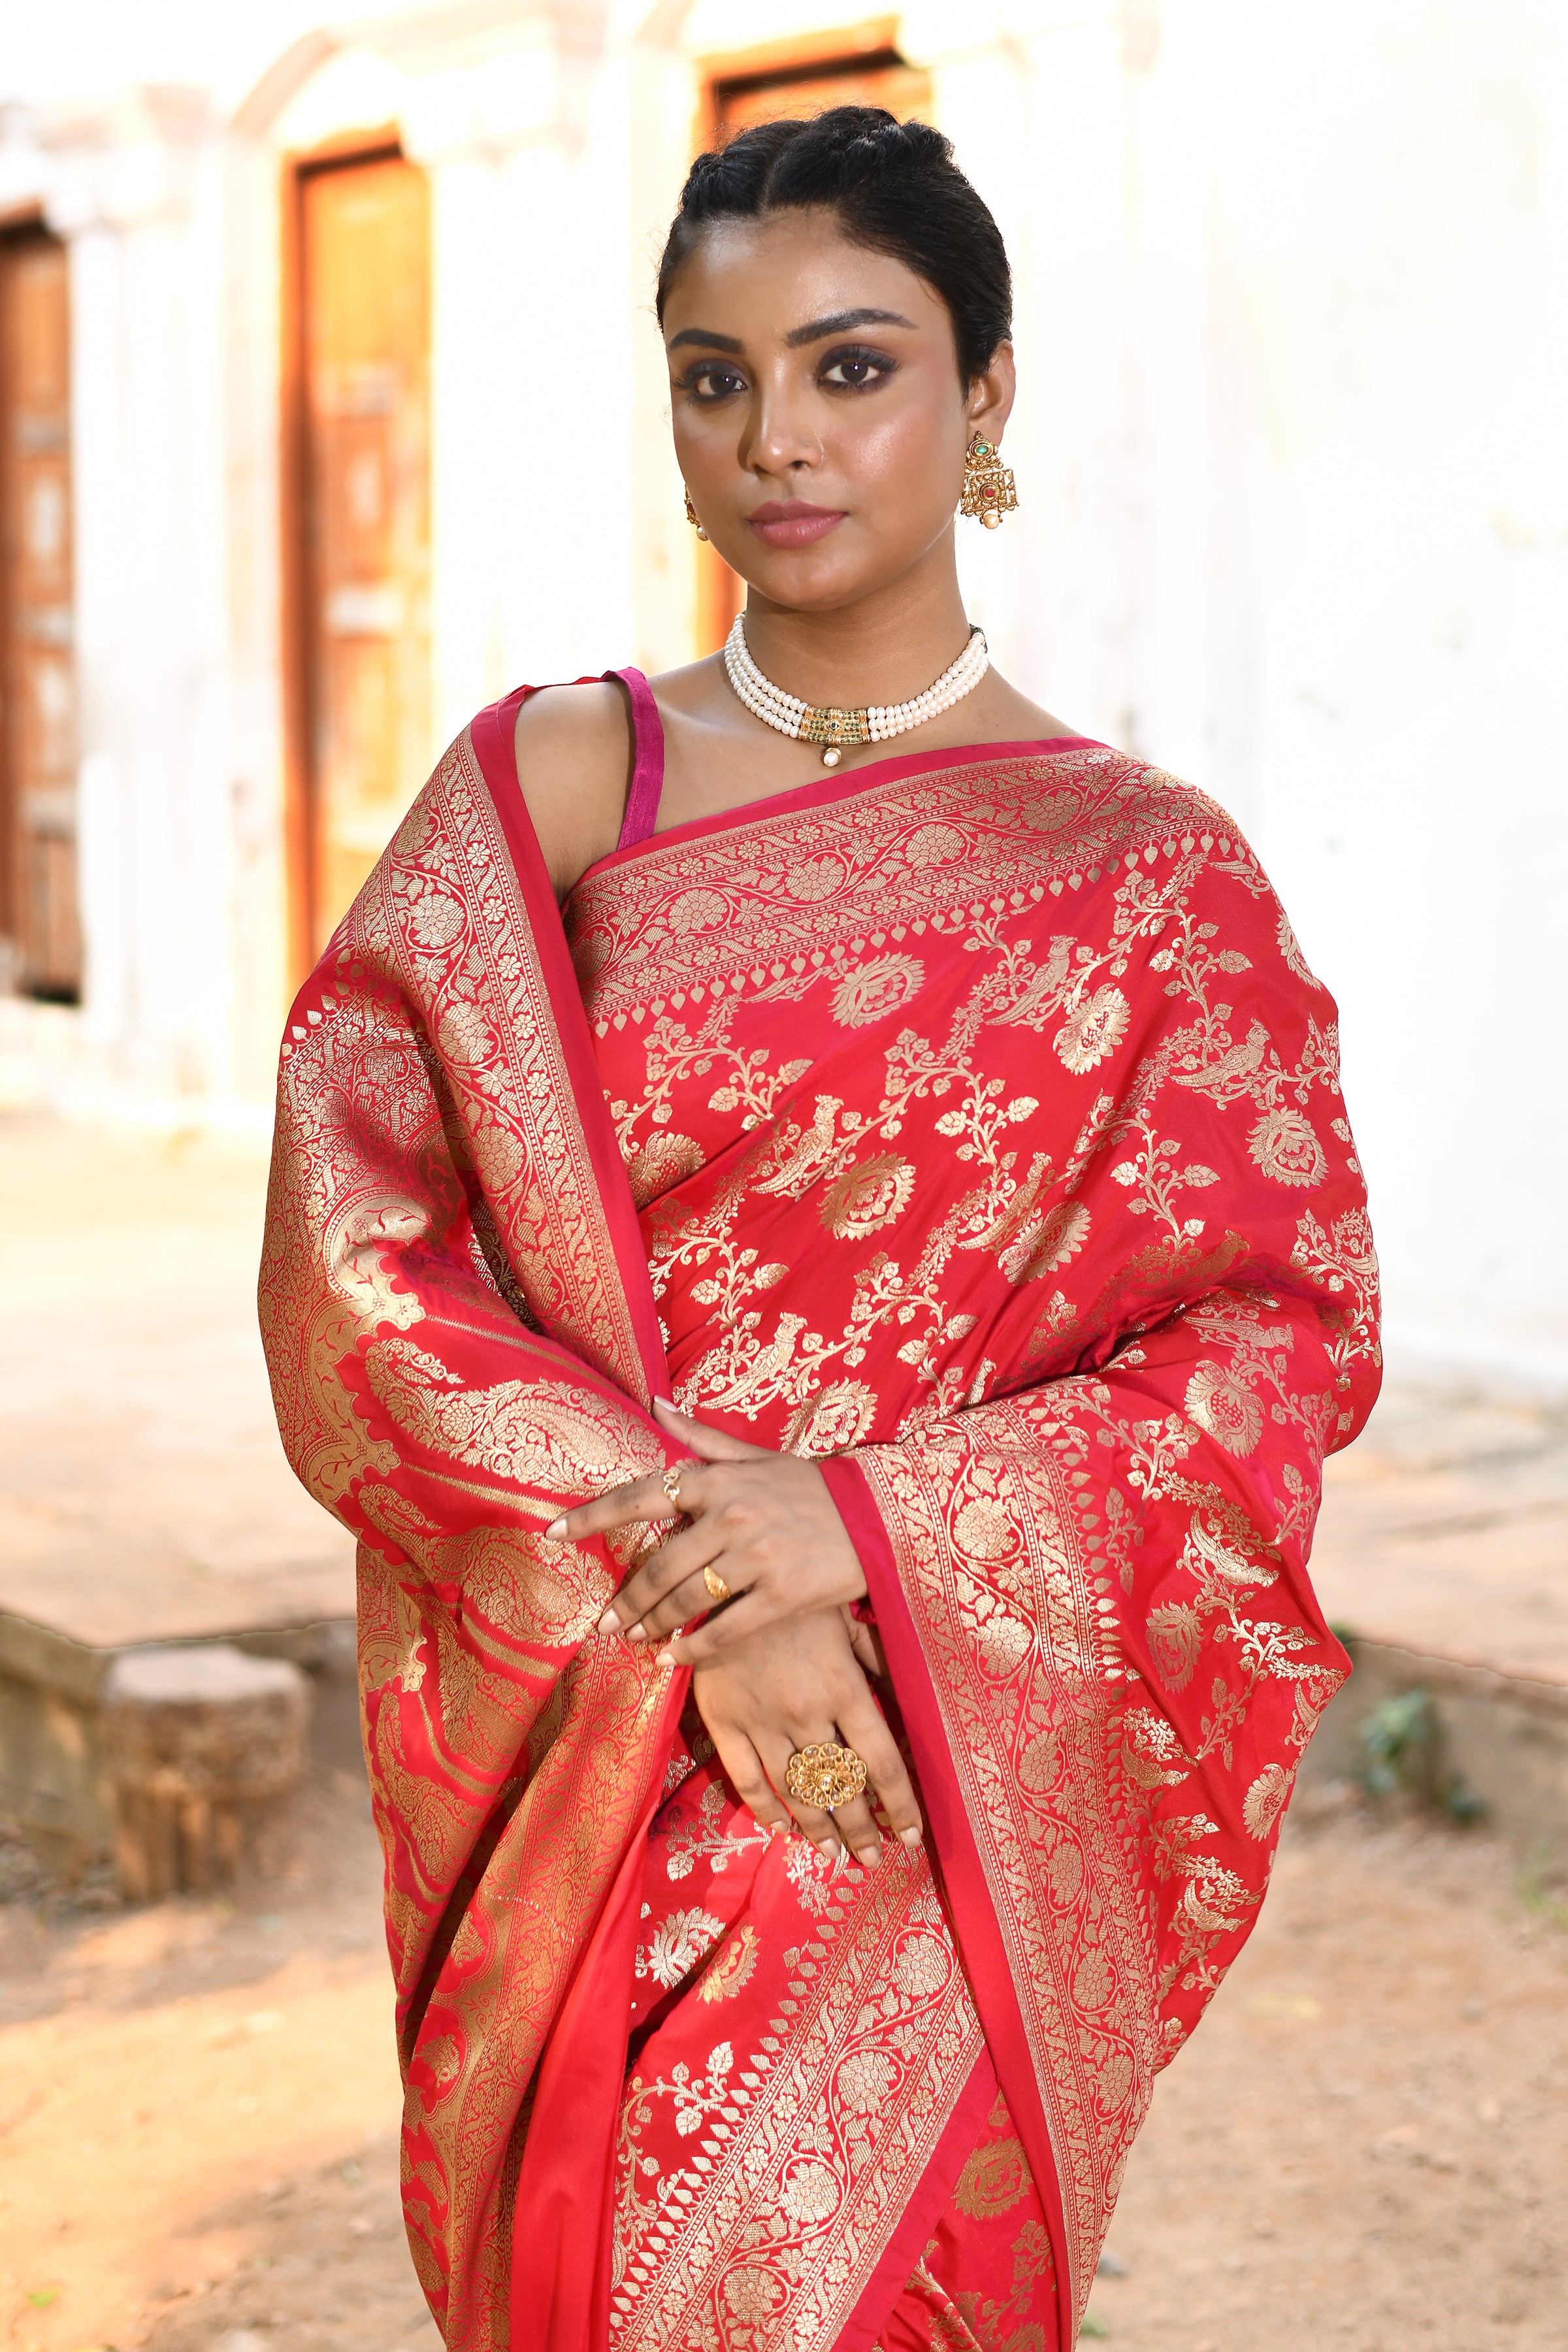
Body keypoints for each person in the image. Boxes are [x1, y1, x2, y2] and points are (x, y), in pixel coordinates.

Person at [260, 107, 1379, 2352]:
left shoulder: (1146, 871)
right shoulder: (559, 789)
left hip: (931, 1757)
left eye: (851, 367)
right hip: (602, 1721)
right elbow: (360, 1255)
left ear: (982, 399)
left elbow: (1270, 1341)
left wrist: (860, 1530)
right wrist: (713, 1576)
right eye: (714, 374)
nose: (774, 437)